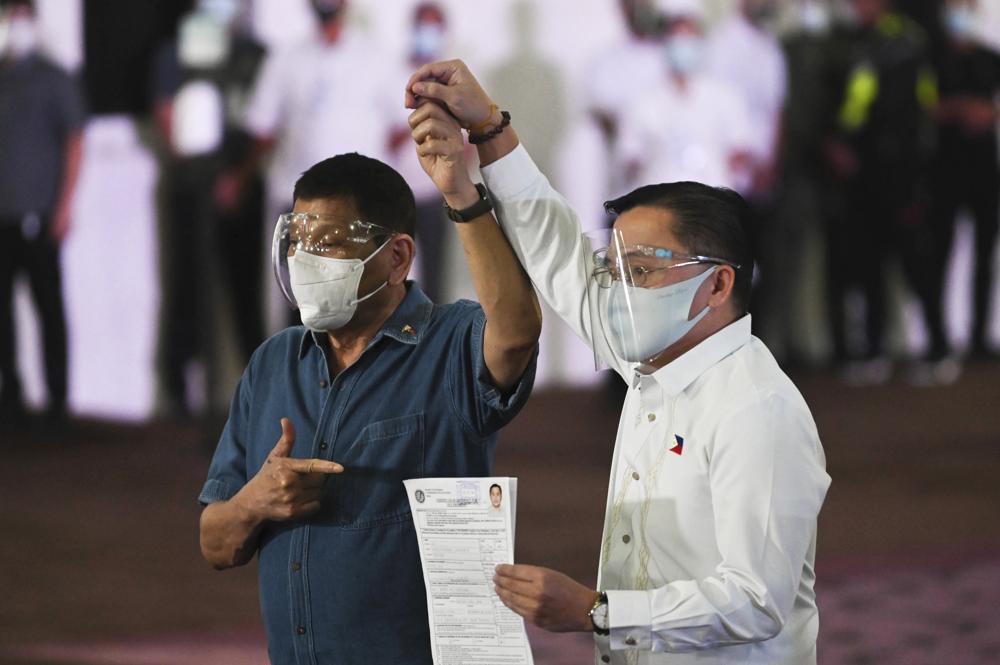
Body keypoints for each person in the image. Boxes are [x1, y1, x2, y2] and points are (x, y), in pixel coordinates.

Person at [407, 60, 831, 664]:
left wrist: (596, 612)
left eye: (641, 271)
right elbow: (557, 250)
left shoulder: (756, 408)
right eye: (614, 270)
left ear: (717, 286)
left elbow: (756, 600)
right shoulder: (652, 366)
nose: (617, 289)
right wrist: (489, 133)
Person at [197, 147, 541, 663]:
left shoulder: (451, 342)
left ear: (398, 256)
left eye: (329, 244)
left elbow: (515, 334)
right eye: (298, 242)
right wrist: (256, 501)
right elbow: (215, 544)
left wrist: (459, 194)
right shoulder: (274, 363)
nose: (304, 259)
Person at [222, 0, 393, 331]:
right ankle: (305, 380)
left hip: (357, 208)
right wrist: (239, 178)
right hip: (299, 205)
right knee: (301, 306)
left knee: (358, 302)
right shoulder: (287, 58)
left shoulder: (375, 57)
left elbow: (401, 126)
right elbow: (262, 129)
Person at [151, 0, 267, 419]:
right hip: (190, 189)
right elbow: (168, 116)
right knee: (187, 288)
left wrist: (236, 177)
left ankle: (263, 397)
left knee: (244, 292)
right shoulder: (175, 52)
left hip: (241, 187)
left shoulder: (253, 52)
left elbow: (263, 123)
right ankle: (180, 397)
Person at [824, 0, 940, 384]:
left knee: (915, 262)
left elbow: (919, 104)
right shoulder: (859, 42)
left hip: (902, 171)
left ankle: (938, 348)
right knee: (867, 261)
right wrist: (843, 142)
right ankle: (874, 351)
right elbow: (857, 104)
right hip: (865, 171)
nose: (857, 6)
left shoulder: (905, 39)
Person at [0, 0, 85, 428]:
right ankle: (10, 399)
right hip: (3, 217)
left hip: (40, 214)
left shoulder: (53, 78)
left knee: (48, 307)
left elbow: (75, 140)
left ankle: (57, 401)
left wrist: (65, 206)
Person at [616, 3, 755, 194]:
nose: (683, 46)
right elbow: (631, 156)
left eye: (689, 38)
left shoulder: (725, 97)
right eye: (677, 38)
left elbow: (740, 150)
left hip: (710, 204)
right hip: (662, 205)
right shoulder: (644, 101)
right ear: (664, 43)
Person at [927, 0, 1000, 365]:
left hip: (985, 171)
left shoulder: (990, 57)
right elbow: (924, 107)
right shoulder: (933, 58)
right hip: (945, 172)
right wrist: (959, 109)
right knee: (939, 253)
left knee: (985, 255)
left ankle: (979, 338)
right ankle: (937, 337)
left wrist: (988, 112)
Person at [387, 1, 450, 303]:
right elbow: (381, 135)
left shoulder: (453, 81)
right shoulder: (389, 73)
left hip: (435, 193)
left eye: (434, 27)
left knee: (436, 279)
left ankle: (436, 343)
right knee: (392, 275)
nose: (427, 34)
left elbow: (468, 146)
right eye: (422, 26)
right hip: (396, 193)